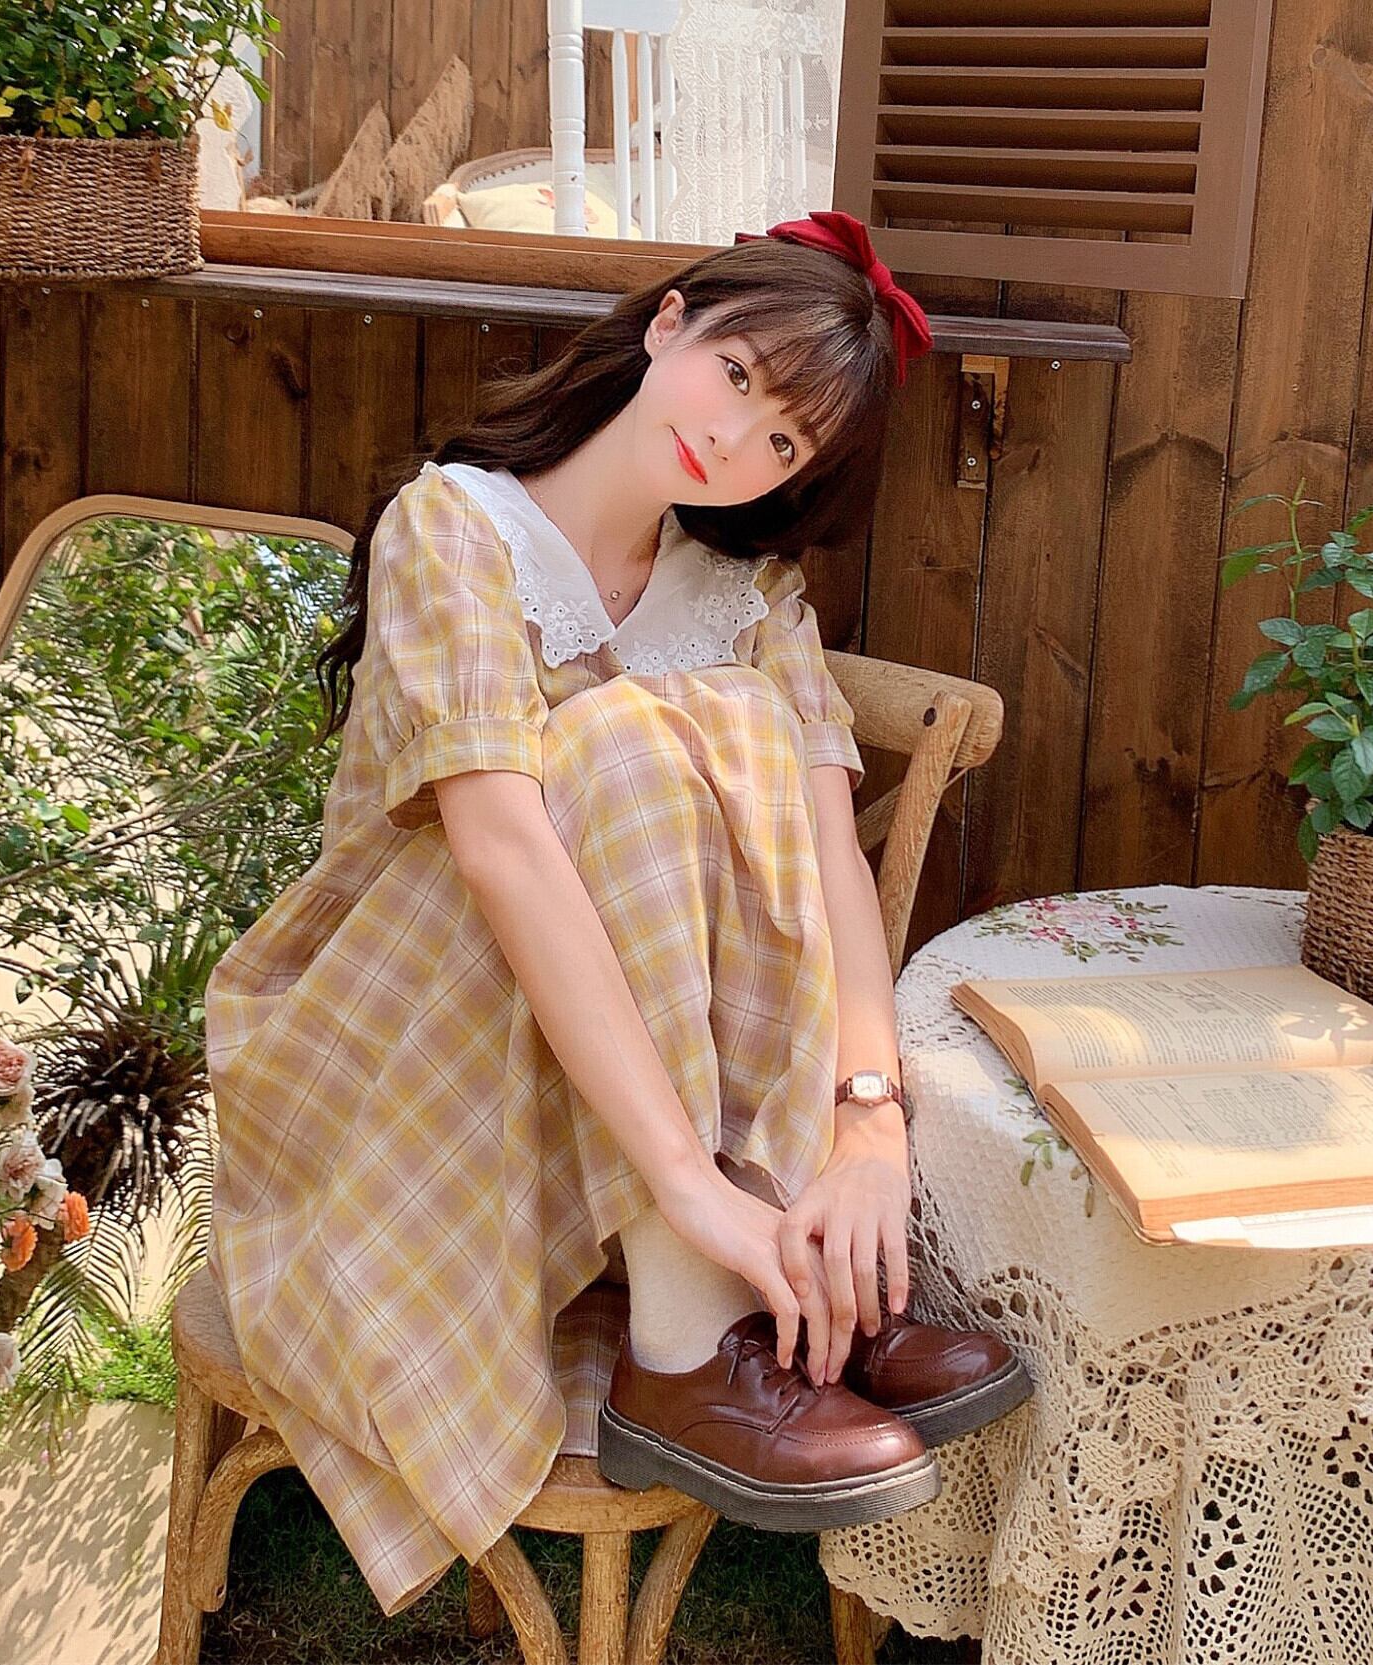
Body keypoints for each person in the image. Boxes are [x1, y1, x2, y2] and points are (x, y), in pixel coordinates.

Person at [203, 209, 1031, 1618]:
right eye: (739, 377)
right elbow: (504, 853)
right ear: (668, 324)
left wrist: (866, 1122)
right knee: (622, 748)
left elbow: (828, 858)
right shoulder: (455, 527)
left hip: (580, 1080)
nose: (735, 438)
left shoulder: (745, 594)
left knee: (737, 736)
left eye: (783, 442)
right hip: (393, 1047)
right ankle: (694, 1330)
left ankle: (788, 1275)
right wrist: (696, 1189)